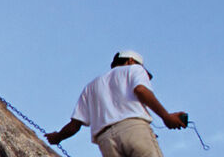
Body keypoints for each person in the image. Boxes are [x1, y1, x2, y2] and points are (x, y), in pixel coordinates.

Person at [45, 51, 188, 156]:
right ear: (131, 61)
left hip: (106, 141)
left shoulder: (91, 87)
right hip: (133, 130)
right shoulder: (134, 69)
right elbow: (141, 90)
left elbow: (74, 125)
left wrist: (57, 137)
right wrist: (166, 117)